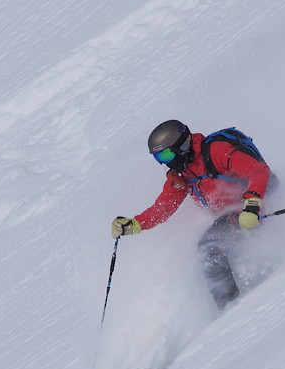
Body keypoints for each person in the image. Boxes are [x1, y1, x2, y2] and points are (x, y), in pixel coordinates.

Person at [110, 120, 274, 309]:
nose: (165, 161)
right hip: (232, 215)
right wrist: (135, 224)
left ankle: (230, 308)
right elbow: (164, 207)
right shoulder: (182, 175)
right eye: (158, 157)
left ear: (183, 144)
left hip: (254, 204)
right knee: (210, 247)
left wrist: (252, 205)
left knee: (209, 247)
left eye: (167, 154)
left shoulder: (216, 151)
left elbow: (258, 171)